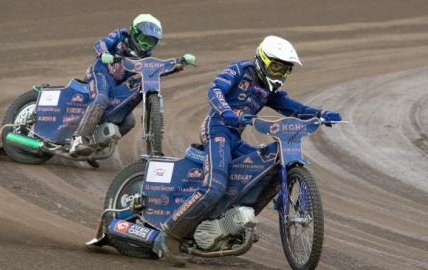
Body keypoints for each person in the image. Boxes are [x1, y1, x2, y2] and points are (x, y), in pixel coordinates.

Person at [154, 35, 342, 266]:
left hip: (235, 138)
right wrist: (226, 112)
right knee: (215, 187)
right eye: (276, 67)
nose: (280, 74)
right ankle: (169, 236)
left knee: (266, 170)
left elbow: (294, 108)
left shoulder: (270, 89)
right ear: (262, 59)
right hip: (217, 130)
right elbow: (215, 90)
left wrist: (321, 114)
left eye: (286, 70)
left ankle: (231, 224)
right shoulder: (240, 69)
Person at [69, 14, 196, 157]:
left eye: (151, 42)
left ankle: (97, 146)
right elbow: (101, 43)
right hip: (100, 73)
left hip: (116, 84)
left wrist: (179, 64)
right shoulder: (120, 35)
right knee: (101, 98)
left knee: (128, 121)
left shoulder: (145, 56)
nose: (146, 45)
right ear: (134, 33)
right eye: (144, 39)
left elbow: (153, 70)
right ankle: (79, 140)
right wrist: (104, 53)